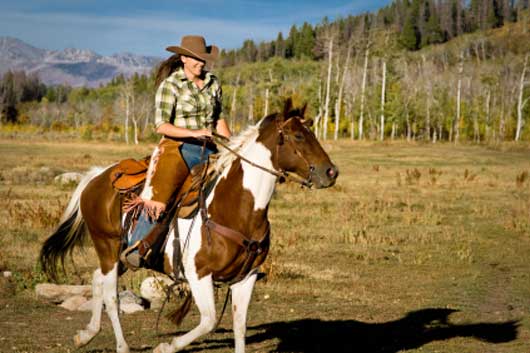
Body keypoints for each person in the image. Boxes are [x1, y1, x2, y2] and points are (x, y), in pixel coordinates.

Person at [122, 35, 231, 269]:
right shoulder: (171, 85)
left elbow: (219, 118)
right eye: (194, 58)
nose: (200, 63)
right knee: (160, 196)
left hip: (211, 149)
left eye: (203, 58)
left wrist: (233, 145)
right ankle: (137, 245)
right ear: (183, 58)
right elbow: (161, 125)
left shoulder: (213, 82)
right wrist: (194, 133)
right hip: (178, 147)